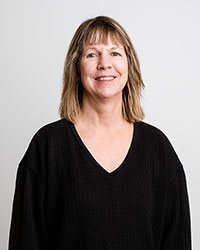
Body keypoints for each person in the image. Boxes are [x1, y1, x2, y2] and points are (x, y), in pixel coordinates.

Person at [9, 16, 192, 250]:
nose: (105, 64)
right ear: (76, 68)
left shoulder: (158, 149)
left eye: (115, 53)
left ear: (129, 66)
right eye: (92, 54)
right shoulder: (47, 146)